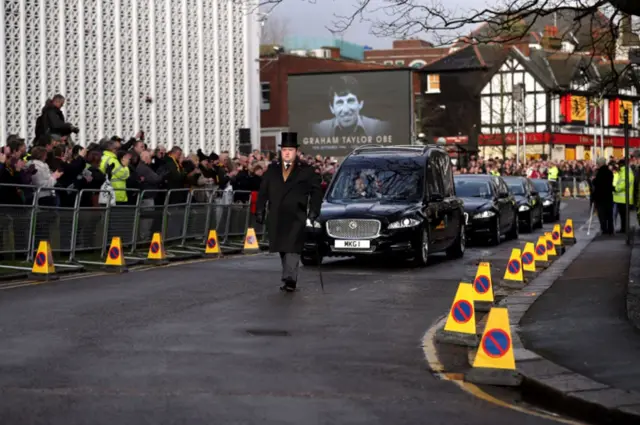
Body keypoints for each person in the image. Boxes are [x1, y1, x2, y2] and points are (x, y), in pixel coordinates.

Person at [255, 132, 323, 293]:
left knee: (293, 246)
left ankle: (290, 278)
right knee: (282, 247)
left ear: (296, 152)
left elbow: (316, 192)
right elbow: (263, 191)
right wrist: (259, 209)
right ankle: (288, 276)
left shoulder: (306, 170)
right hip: (277, 215)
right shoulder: (272, 170)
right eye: (284, 149)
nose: (287, 152)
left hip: (296, 215)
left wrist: (314, 210)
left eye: (290, 150)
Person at [311, 75, 390, 138]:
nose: (345, 110)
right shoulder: (318, 130)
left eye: (350, 101)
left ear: (360, 103)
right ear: (332, 108)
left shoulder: (379, 128)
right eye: (339, 102)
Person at [592, 157, 614, 235]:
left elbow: (597, 183)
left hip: (600, 196)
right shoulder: (609, 172)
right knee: (609, 214)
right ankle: (610, 229)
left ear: (600, 163)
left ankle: (604, 229)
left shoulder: (599, 173)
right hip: (608, 195)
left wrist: (594, 180)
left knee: (602, 214)